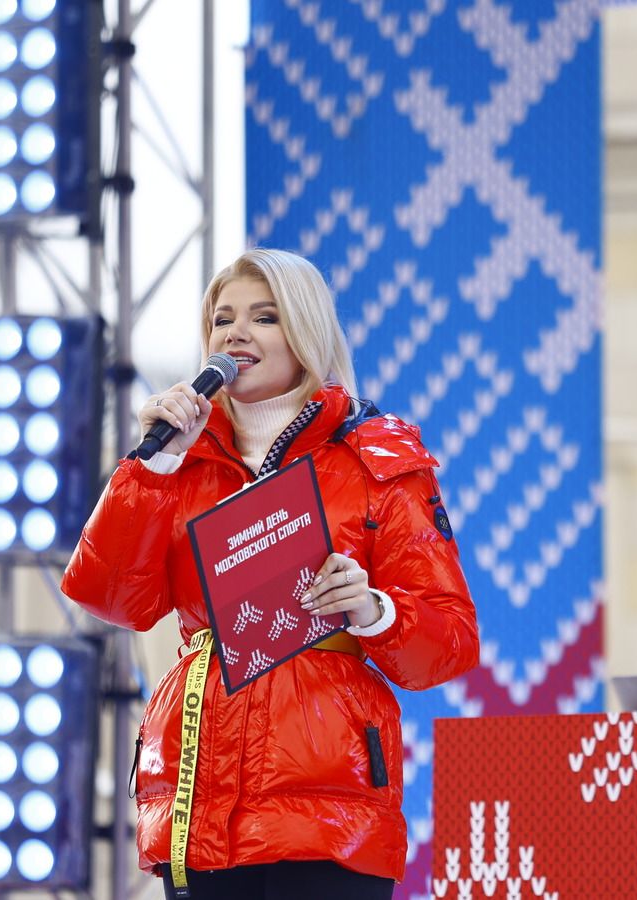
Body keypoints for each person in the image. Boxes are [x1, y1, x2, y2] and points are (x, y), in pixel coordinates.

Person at [61, 248, 479, 899]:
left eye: (264, 316)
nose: (235, 332)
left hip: (327, 813)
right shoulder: (178, 461)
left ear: (306, 331)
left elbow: (449, 644)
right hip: (197, 798)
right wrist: (150, 472)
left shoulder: (377, 459)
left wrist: (374, 610)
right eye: (222, 318)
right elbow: (111, 598)